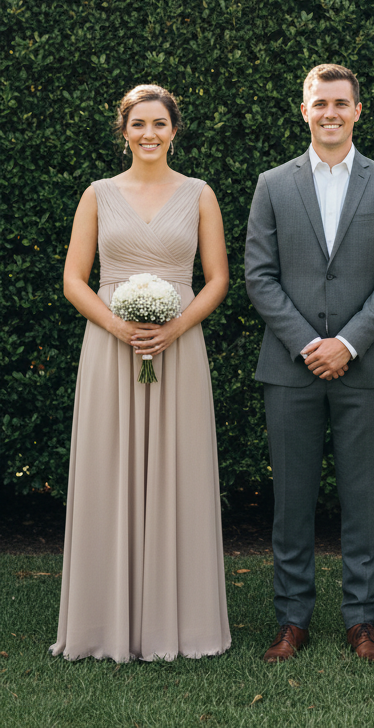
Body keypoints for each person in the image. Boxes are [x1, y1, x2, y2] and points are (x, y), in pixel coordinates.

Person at [51, 84, 231, 662]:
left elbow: (218, 279)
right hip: (111, 347)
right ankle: (104, 623)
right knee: (109, 467)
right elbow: (74, 278)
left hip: (180, 345)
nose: (149, 134)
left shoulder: (199, 193)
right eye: (138, 124)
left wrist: (175, 328)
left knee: (180, 468)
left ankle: (180, 623)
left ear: (174, 131)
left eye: (159, 124)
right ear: (124, 131)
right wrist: (116, 325)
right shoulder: (98, 194)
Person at [245, 64, 374, 664]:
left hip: (366, 368)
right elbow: (259, 276)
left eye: (341, 103)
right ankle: (292, 620)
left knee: (364, 501)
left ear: (357, 111)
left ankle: (361, 619)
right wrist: (307, 343)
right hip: (289, 368)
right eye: (320, 103)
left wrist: (347, 343)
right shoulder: (273, 184)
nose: (331, 113)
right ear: (305, 110)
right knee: (291, 501)